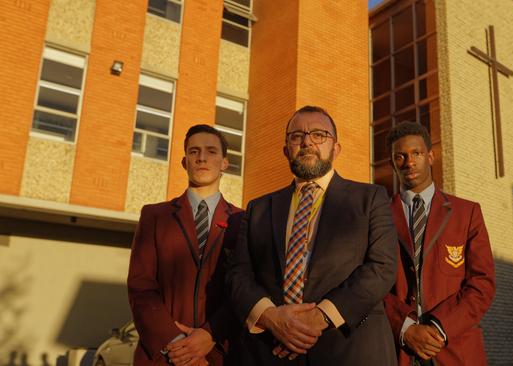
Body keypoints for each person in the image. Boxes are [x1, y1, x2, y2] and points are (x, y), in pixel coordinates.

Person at [227, 106, 398, 365]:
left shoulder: (371, 198)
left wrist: (317, 318)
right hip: (270, 351)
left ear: (336, 148)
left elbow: (382, 267)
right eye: (297, 136)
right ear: (286, 150)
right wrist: (272, 318)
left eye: (319, 134)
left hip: (350, 349)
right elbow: (238, 274)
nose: (307, 142)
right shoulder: (259, 208)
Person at [128, 124, 243, 366]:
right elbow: (141, 287)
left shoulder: (243, 221)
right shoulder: (154, 216)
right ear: (184, 162)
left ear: (225, 163)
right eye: (194, 152)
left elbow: (244, 292)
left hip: (220, 355)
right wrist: (177, 343)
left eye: (211, 151)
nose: (202, 158)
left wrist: (209, 336)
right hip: (163, 356)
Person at [383, 122, 496, 365]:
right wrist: (406, 328)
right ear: (392, 163)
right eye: (400, 156)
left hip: (456, 350)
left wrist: (439, 327)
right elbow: (371, 284)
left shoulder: (467, 213)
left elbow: (482, 283)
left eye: (416, 153)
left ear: (431, 156)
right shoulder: (378, 215)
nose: (409, 162)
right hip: (398, 351)